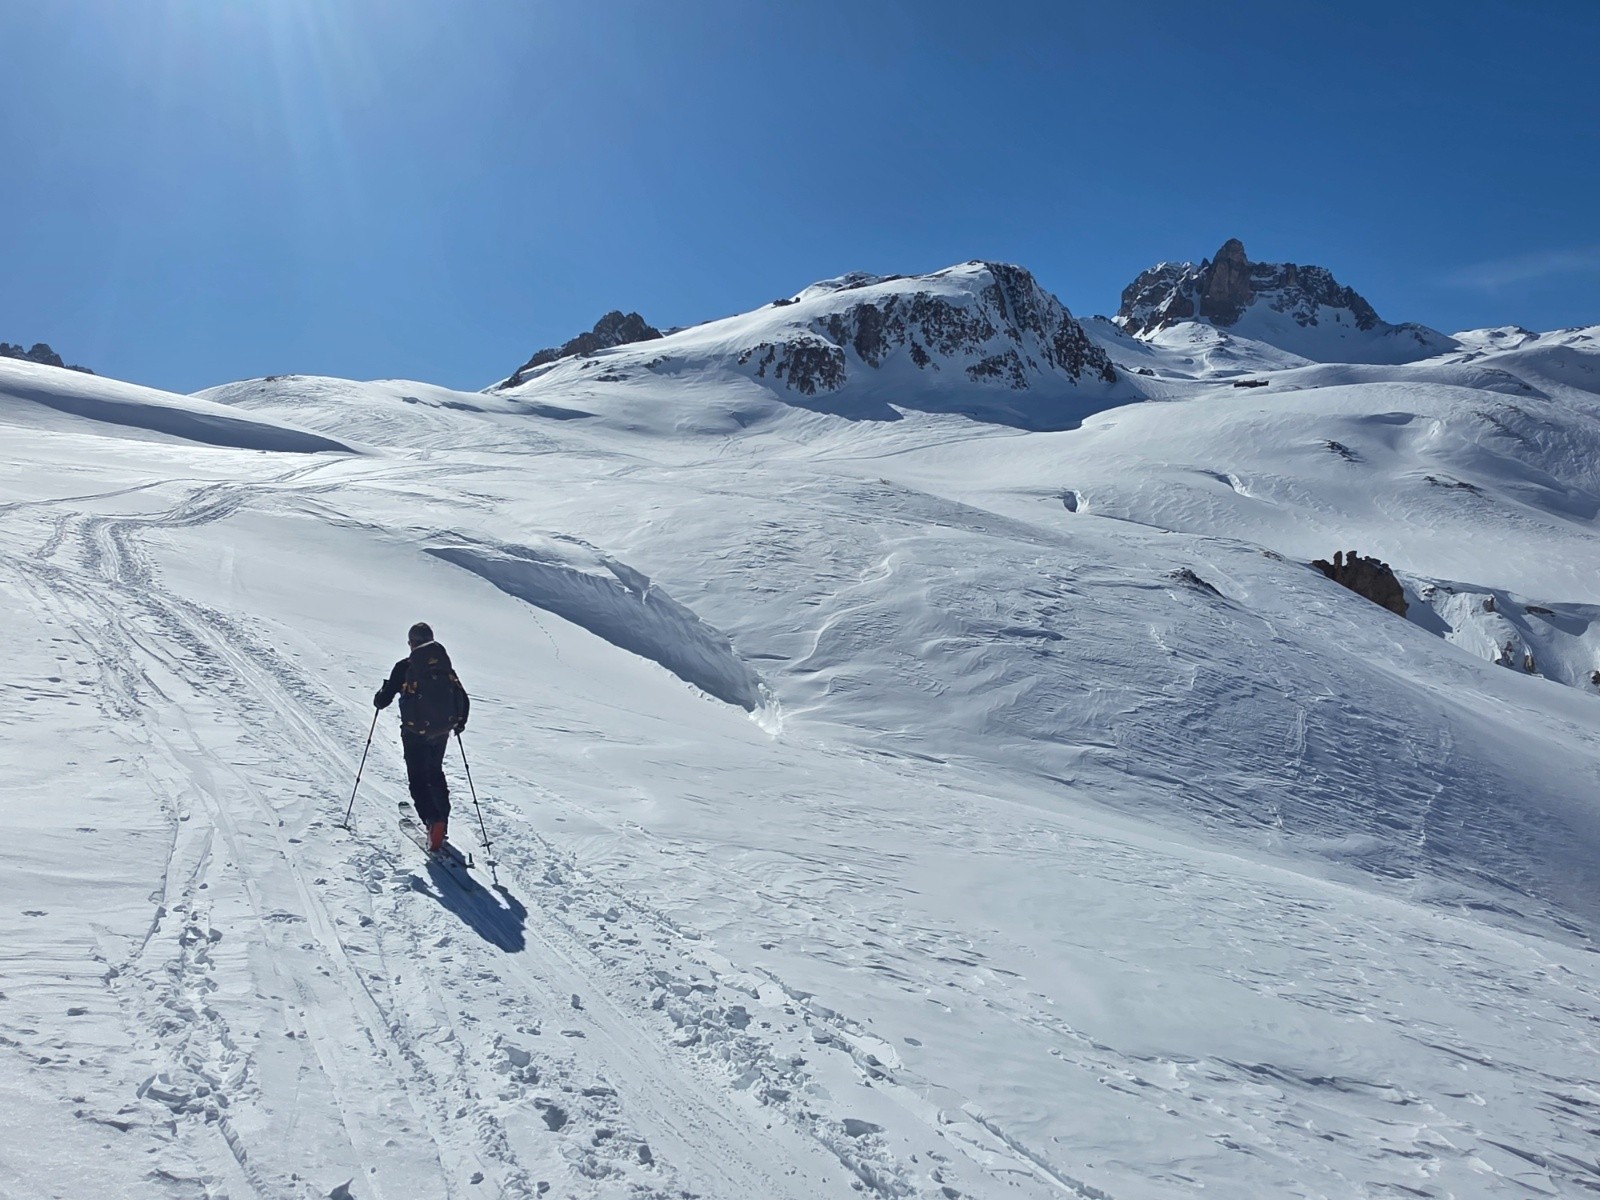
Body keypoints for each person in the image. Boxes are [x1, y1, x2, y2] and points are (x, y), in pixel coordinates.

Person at [374, 622, 470, 852]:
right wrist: (459, 723)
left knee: (418, 778)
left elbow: (382, 701)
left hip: (415, 732)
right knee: (435, 773)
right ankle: (442, 822)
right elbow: (460, 695)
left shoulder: (405, 667)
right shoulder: (444, 665)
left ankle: (432, 820)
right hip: (441, 731)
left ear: (412, 643)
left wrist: (383, 691)